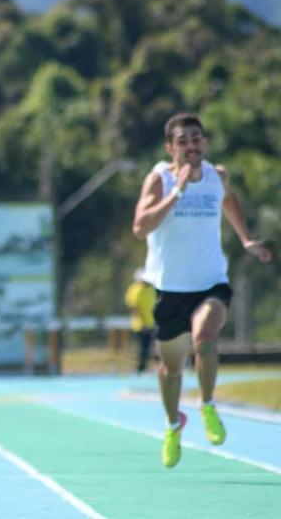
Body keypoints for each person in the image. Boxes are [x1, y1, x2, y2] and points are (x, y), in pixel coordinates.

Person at [132, 113, 272, 468]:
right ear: (170, 147)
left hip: (210, 281)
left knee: (205, 340)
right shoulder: (159, 179)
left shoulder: (217, 175)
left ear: (204, 143)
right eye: (183, 141)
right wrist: (177, 191)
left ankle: (207, 404)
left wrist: (245, 238)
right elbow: (139, 227)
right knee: (171, 369)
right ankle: (172, 423)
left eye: (196, 139)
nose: (191, 146)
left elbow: (228, 201)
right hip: (169, 288)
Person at [124, 268, 156, 374]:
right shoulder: (135, 289)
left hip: (151, 323)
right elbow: (134, 307)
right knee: (142, 347)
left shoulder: (150, 289)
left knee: (150, 347)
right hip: (140, 325)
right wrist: (142, 322)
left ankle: (144, 367)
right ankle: (140, 368)